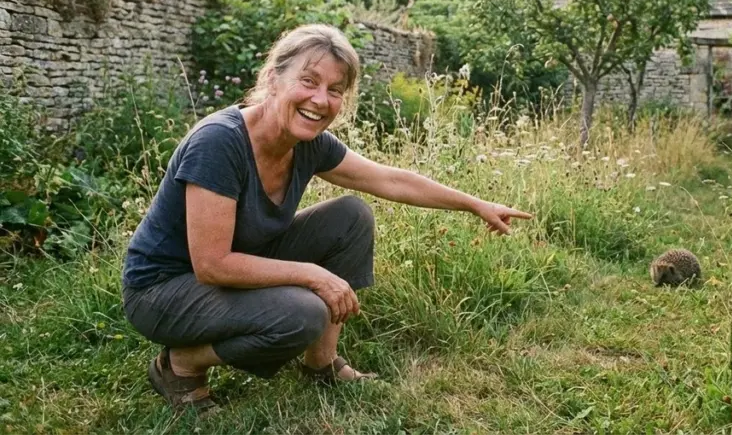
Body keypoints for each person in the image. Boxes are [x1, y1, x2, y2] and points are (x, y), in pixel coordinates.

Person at [121, 24, 531, 413]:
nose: (321, 100)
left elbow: (390, 179)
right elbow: (212, 264)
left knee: (351, 216)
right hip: (163, 291)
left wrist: (475, 204)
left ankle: (321, 364)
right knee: (303, 311)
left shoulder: (309, 144)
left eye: (335, 90)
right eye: (309, 81)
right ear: (274, 78)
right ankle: (182, 364)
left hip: (232, 266)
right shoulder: (219, 141)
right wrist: (312, 275)